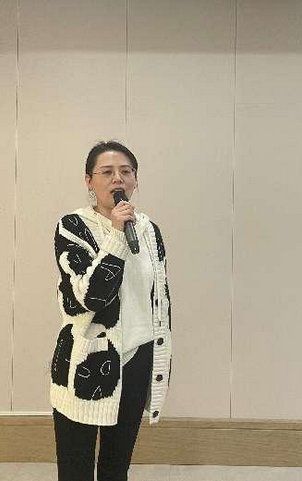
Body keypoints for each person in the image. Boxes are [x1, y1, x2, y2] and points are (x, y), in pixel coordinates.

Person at [50, 140, 172, 481]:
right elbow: (92, 297)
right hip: (86, 360)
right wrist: (117, 234)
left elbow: (159, 300)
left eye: (126, 171)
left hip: (137, 356)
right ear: (89, 181)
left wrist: (159, 352)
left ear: (135, 180)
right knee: (75, 467)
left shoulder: (148, 229)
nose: (118, 178)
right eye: (107, 172)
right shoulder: (72, 227)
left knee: (116, 467)